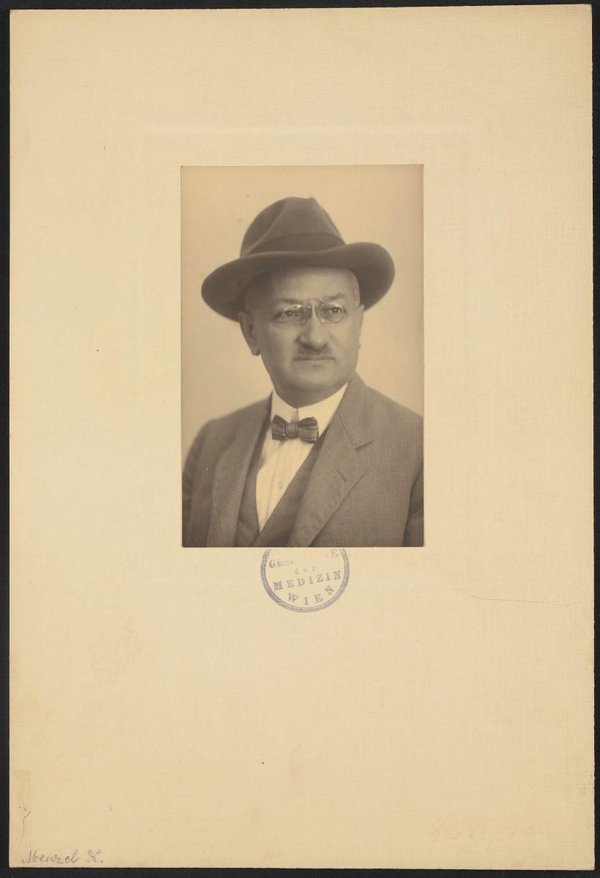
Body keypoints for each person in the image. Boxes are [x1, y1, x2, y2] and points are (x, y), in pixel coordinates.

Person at [183, 196, 423, 547]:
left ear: (359, 323)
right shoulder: (211, 443)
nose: (315, 337)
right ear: (251, 332)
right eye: (290, 313)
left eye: (334, 311)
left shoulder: (420, 448)